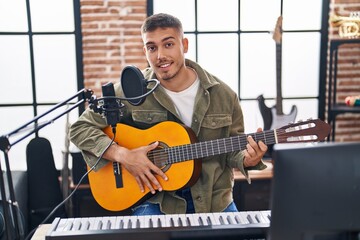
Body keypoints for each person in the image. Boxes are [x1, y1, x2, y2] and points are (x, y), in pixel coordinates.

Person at [69, 13, 268, 215]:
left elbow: (233, 150)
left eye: (169, 44)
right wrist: (124, 155)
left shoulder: (223, 95)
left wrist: (248, 159)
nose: (160, 56)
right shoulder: (129, 92)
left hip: (213, 201)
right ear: (145, 51)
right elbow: (78, 129)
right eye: (152, 48)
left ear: (185, 45)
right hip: (156, 202)